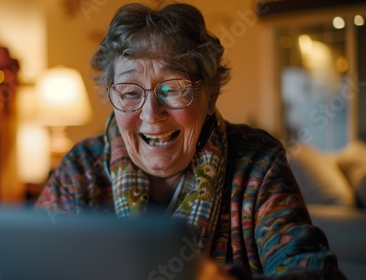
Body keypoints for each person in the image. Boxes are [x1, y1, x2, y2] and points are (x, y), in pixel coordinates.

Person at [35, 2, 345, 279]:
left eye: (173, 88)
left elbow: (312, 270)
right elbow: (29, 260)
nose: (152, 114)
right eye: (130, 92)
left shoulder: (257, 162)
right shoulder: (82, 167)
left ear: (210, 96)